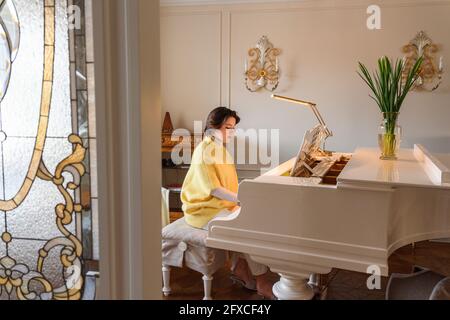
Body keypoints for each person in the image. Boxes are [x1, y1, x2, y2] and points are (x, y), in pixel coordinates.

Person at [181, 107, 276, 299]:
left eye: (233, 127)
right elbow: (214, 189)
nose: (232, 132)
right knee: (246, 225)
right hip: (203, 209)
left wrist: (244, 196)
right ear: (213, 126)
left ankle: (241, 268)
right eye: (228, 127)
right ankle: (262, 281)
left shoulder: (218, 148)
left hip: (219, 205)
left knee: (251, 219)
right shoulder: (205, 150)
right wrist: (242, 199)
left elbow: (227, 184)